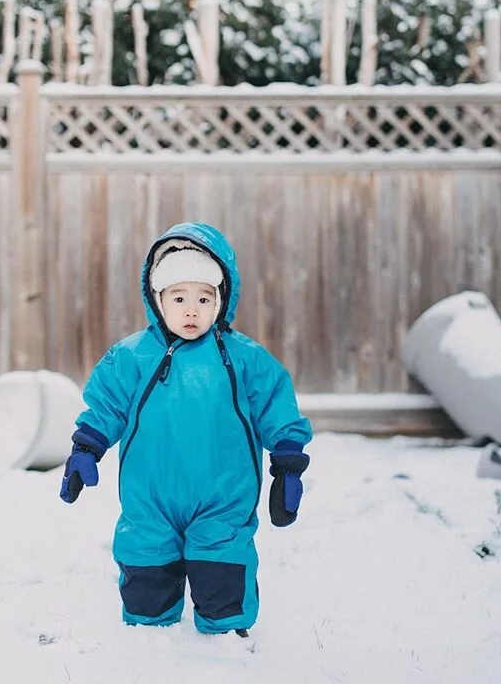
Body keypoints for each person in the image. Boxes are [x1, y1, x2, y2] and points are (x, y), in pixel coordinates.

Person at [60, 222, 312, 636]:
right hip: (151, 494)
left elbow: (277, 407)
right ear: (157, 299)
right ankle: (148, 635)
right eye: (179, 298)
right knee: (146, 560)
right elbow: (104, 405)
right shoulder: (132, 356)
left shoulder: (244, 357)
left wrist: (287, 464)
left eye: (203, 297)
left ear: (222, 300)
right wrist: (85, 449)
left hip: (223, 492)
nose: (191, 310)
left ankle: (227, 638)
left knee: (223, 563)